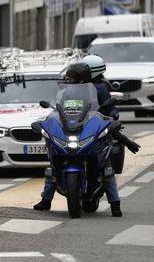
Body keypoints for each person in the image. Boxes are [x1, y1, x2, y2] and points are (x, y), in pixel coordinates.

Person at [32, 62, 128, 217]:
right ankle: (46, 200)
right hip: (71, 129)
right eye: (67, 78)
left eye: (70, 78)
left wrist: (109, 120)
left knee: (107, 169)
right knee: (53, 168)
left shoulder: (99, 90)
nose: (67, 80)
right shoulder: (63, 92)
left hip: (92, 131)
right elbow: (56, 109)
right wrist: (49, 121)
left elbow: (109, 111)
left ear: (82, 79)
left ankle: (115, 203)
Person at [81, 55, 119, 120]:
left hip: (96, 122)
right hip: (75, 121)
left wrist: (112, 114)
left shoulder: (101, 88)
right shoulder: (74, 87)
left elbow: (109, 107)